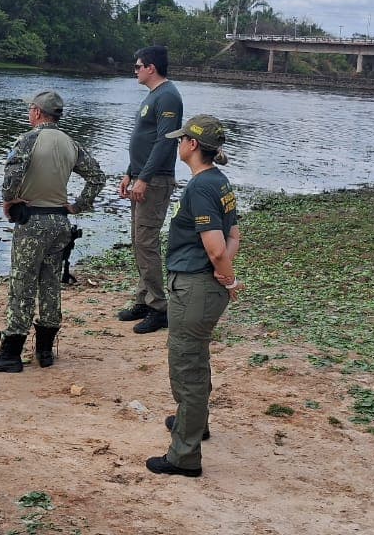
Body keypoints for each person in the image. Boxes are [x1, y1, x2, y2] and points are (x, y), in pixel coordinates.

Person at [0, 91, 105, 373]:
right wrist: (77, 206)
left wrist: (9, 200)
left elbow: (11, 176)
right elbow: (97, 177)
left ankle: (11, 352)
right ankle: (45, 351)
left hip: (32, 221)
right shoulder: (70, 143)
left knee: (22, 284)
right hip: (60, 222)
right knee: (50, 283)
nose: (29, 113)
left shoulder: (28, 139)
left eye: (30, 109)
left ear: (36, 112)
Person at [146, 115, 242, 477]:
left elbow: (218, 247)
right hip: (204, 284)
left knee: (186, 366)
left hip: (195, 287)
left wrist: (227, 278)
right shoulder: (220, 181)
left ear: (192, 145)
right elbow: (234, 237)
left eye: (181, 139)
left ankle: (184, 457)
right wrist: (223, 273)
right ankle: (194, 424)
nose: (178, 144)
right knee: (195, 359)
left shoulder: (201, 187)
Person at [117, 45, 183, 334]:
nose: (135, 70)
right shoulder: (153, 95)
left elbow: (165, 142)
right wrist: (130, 173)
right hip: (143, 176)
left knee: (146, 242)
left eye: (138, 66)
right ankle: (144, 299)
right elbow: (143, 139)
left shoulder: (168, 95)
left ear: (151, 68)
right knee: (139, 241)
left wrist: (144, 178)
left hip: (155, 181)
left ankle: (159, 308)